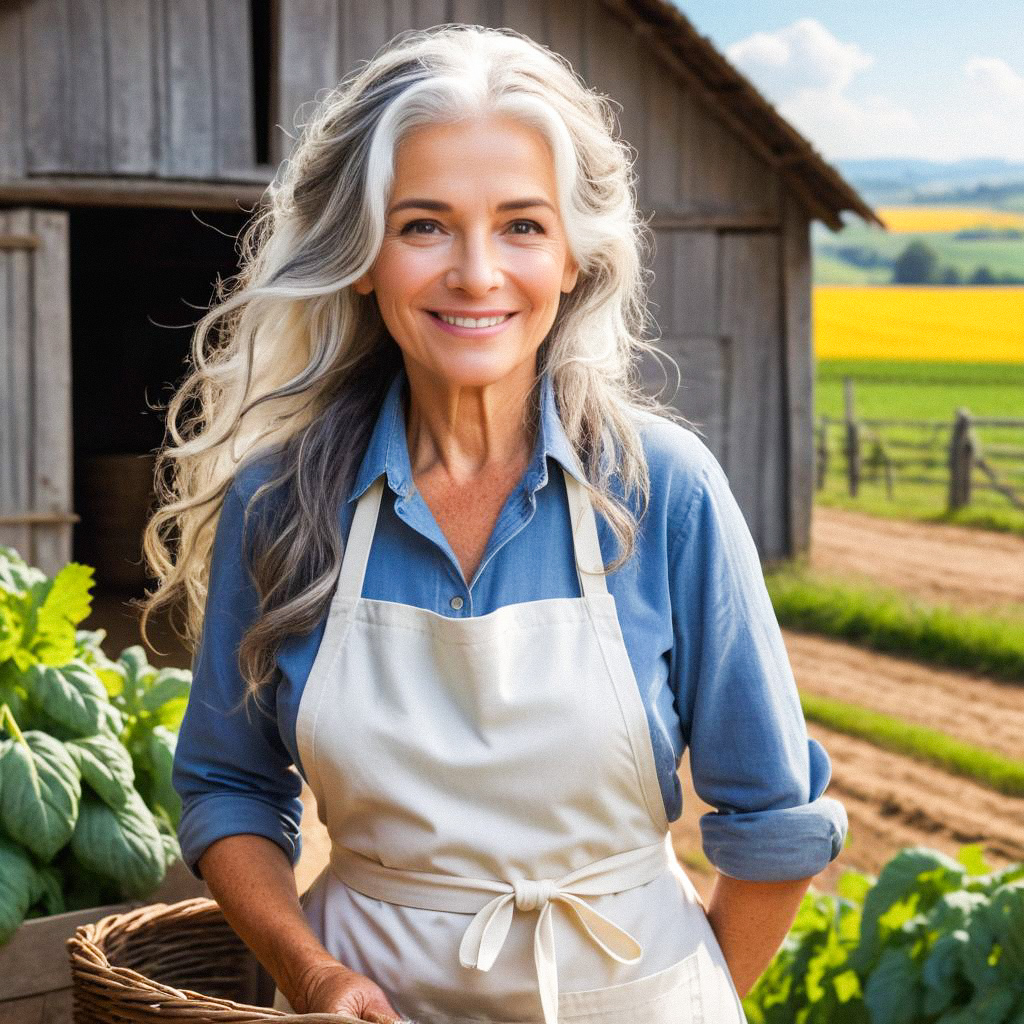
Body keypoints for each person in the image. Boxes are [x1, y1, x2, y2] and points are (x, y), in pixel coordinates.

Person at [145, 23, 847, 1024]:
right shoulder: (282, 502)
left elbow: (775, 824)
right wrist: (311, 973)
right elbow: (226, 788)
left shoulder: (663, 491)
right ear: (360, 255)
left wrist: (689, 999)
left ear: (572, 258)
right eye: (424, 224)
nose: (476, 273)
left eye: (521, 225)